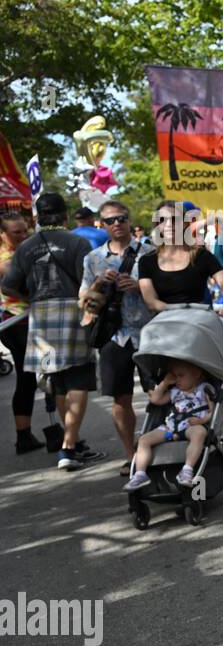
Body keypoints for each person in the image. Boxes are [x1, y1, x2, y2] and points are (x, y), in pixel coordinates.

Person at [0, 192, 104, 470]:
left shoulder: (25, 247)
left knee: (58, 381)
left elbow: (8, 286)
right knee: (78, 379)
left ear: (37, 217)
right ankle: (68, 447)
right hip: (74, 310)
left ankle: (73, 441)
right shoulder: (77, 242)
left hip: (41, 314)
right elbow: (91, 281)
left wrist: (32, 298)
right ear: (65, 215)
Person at [80, 200, 156, 475]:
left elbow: (165, 290)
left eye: (121, 218)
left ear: (129, 218)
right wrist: (100, 283)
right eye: (110, 220)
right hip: (114, 336)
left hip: (150, 332)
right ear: (101, 224)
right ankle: (132, 456)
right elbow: (84, 300)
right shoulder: (94, 258)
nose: (117, 224)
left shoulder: (150, 252)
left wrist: (139, 286)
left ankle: (159, 451)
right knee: (120, 399)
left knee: (159, 393)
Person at [137, 201, 223, 317]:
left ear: (185, 223)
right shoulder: (146, 261)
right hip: (165, 326)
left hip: (200, 322)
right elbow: (151, 302)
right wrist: (182, 309)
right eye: (162, 219)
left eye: (174, 219)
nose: (168, 224)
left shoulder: (202, 255)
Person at [123, 358, 214, 491]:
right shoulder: (174, 391)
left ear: (196, 373)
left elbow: (214, 411)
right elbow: (155, 400)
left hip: (192, 426)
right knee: (143, 440)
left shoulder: (204, 389)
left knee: (200, 433)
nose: (176, 380)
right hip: (170, 428)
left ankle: (187, 470)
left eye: (181, 376)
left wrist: (202, 421)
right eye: (174, 376)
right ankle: (140, 474)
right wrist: (165, 383)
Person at [0, 210, 41, 453]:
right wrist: (32, 298)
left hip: (26, 322)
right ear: (2, 234)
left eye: (25, 230)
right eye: (17, 233)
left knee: (30, 379)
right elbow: (9, 287)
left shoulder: (20, 252)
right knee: (31, 377)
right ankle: (23, 435)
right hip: (17, 323)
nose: (23, 235)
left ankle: (25, 435)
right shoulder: (6, 259)